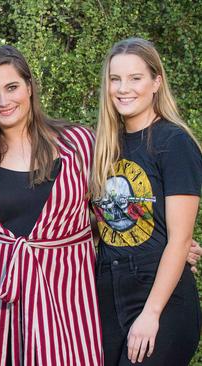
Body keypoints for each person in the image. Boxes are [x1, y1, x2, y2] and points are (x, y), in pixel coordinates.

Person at [0, 46, 103, 366]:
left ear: (29, 87)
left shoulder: (79, 142)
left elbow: (114, 212)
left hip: (66, 296)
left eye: (12, 87)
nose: (3, 101)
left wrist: (164, 244)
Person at [91, 37, 202, 365]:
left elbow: (179, 240)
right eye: (115, 79)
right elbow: (101, 223)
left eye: (135, 78)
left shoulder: (173, 142)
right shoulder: (105, 146)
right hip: (109, 293)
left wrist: (152, 314)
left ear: (156, 82)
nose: (123, 88)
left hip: (160, 296)